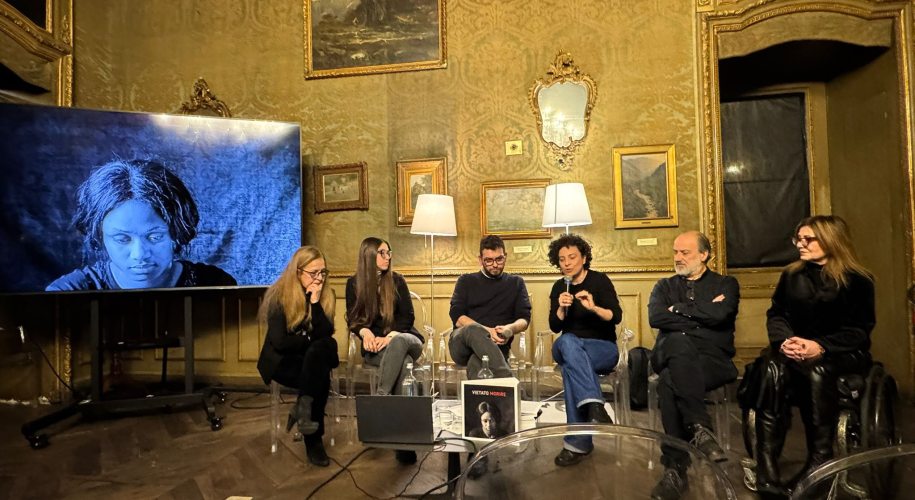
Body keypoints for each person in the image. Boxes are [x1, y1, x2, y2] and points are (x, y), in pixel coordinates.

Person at [752, 215, 874, 496]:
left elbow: (859, 330)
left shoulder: (858, 280)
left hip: (841, 352)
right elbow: (777, 314)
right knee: (771, 368)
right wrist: (784, 341)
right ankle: (766, 463)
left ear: (831, 240)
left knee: (818, 369)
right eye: (798, 239)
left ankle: (820, 459)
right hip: (795, 348)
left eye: (808, 239)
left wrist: (820, 345)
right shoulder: (791, 275)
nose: (800, 244)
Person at [46, 159, 236, 291]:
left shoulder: (216, 285)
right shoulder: (66, 293)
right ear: (100, 236)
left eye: (155, 237)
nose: (140, 254)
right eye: (122, 239)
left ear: (177, 232)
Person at [647, 231, 739, 500]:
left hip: (712, 360)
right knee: (677, 342)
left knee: (669, 381)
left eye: (685, 252)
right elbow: (656, 317)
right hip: (671, 352)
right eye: (675, 252)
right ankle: (699, 426)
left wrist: (678, 310)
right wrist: (703, 315)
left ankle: (674, 470)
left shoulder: (726, 284)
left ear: (704, 254)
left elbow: (721, 314)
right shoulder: (664, 286)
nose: (678, 257)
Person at [256, 246, 338, 467]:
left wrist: (315, 303)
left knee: (322, 350)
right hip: (283, 363)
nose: (319, 278)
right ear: (298, 272)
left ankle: (304, 410)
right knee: (320, 370)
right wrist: (310, 340)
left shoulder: (326, 295)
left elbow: (325, 332)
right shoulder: (278, 296)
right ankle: (313, 441)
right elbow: (280, 342)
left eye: (323, 272)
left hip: (311, 360)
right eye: (314, 273)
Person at [345, 236, 424, 465]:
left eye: (389, 252)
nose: (387, 257)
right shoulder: (353, 284)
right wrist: (366, 334)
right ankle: (404, 441)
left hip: (406, 339)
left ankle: (381, 401)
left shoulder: (397, 281)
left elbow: (408, 317)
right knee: (405, 365)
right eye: (382, 253)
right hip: (377, 347)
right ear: (369, 256)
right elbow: (353, 319)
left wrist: (389, 337)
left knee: (400, 347)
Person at [547, 233, 622, 467]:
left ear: (584, 258)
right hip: (567, 346)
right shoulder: (559, 286)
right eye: (562, 259)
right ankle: (595, 404)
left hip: (602, 348)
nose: (567, 263)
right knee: (568, 340)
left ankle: (578, 443)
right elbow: (554, 326)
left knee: (572, 369)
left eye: (572, 257)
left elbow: (615, 317)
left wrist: (593, 307)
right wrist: (561, 308)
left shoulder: (599, 281)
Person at [448, 235, 531, 380]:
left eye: (499, 259)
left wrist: (509, 329)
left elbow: (524, 319)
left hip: (496, 346)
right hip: (462, 344)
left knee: (478, 362)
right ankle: (509, 381)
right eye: (489, 260)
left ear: (505, 257)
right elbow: (458, 317)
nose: (495, 265)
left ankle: (487, 396)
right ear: (480, 260)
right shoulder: (466, 281)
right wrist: (488, 331)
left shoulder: (516, 283)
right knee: (473, 329)